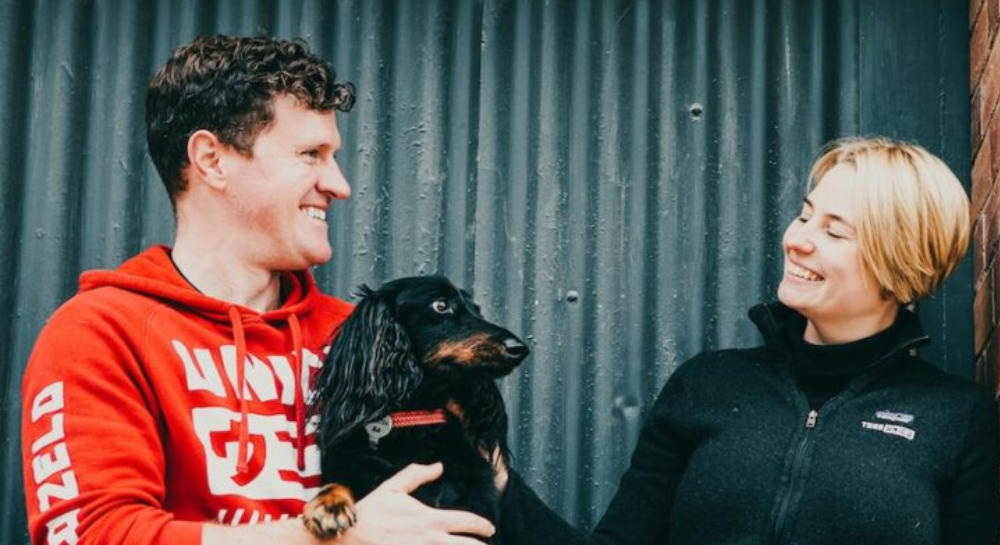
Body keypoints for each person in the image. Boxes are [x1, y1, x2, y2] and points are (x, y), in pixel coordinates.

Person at [20, 35, 495, 545]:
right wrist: (330, 539)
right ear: (212, 160)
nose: (339, 185)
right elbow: (93, 535)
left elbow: (479, 486)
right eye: (310, 154)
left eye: (332, 156)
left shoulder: (363, 337)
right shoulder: (103, 334)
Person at [497, 137, 1000, 545]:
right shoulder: (710, 384)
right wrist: (496, 483)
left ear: (900, 263)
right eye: (805, 215)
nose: (796, 240)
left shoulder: (955, 419)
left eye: (834, 232)